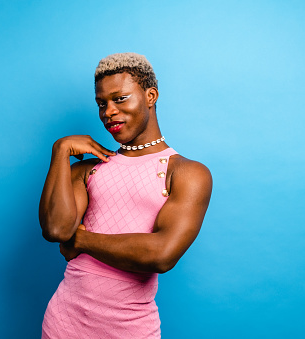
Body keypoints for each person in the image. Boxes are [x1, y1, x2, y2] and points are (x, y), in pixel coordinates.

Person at [39, 52, 212, 338]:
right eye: (101, 103)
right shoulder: (89, 169)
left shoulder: (186, 172)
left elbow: (161, 254)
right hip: (64, 322)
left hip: (130, 327)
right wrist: (60, 150)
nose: (108, 111)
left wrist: (80, 239)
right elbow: (57, 229)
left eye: (120, 99)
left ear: (150, 95)